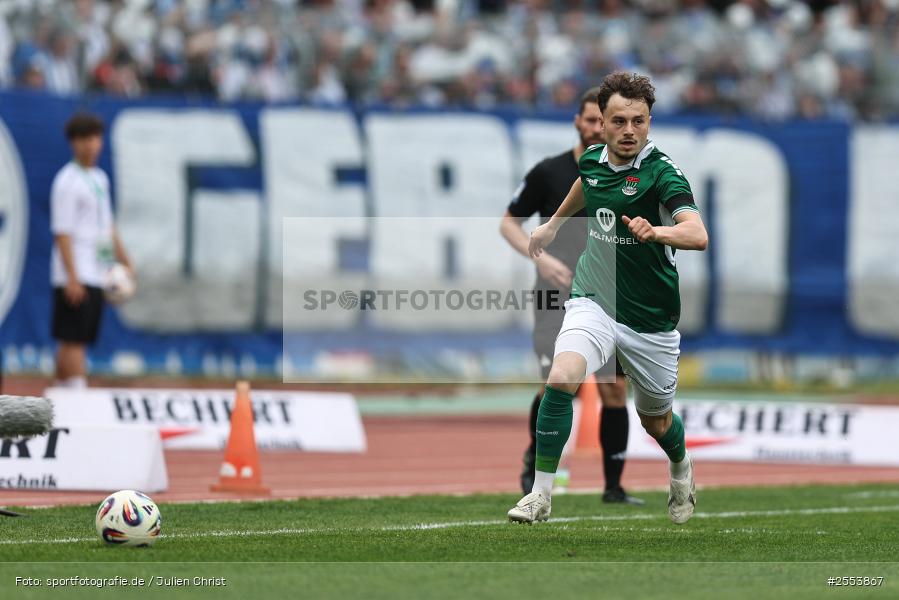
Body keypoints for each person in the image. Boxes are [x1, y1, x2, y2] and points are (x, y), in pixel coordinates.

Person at [507, 72, 708, 525]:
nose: (628, 131)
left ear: (649, 122)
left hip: (650, 319)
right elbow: (586, 184)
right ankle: (540, 495)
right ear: (603, 122)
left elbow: (697, 233)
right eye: (618, 121)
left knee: (655, 422)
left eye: (638, 121)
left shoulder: (662, 173)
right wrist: (553, 224)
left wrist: (657, 231)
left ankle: (680, 467)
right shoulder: (595, 159)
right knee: (562, 376)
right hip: (594, 296)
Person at [500, 87, 642, 505]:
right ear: (578, 122)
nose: (600, 127)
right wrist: (540, 258)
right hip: (556, 293)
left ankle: (613, 487)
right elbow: (509, 223)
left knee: (615, 389)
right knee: (558, 384)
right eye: (593, 119)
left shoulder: (627, 175)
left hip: (609, 295)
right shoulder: (549, 171)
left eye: (607, 120)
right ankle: (535, 463)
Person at [51, 112, 133, 388]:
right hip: (76, 271)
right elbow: (62, 233)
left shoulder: (99, 179)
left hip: (98, 270)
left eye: (96, 138)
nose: (91, 144)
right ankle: (75, 392)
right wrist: (72, 276)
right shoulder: (67, 181)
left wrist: (125, 261)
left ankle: (58, 394)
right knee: (74, 338)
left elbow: (108, 226)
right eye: (84, 138)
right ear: (73, 143)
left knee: (78, 336)